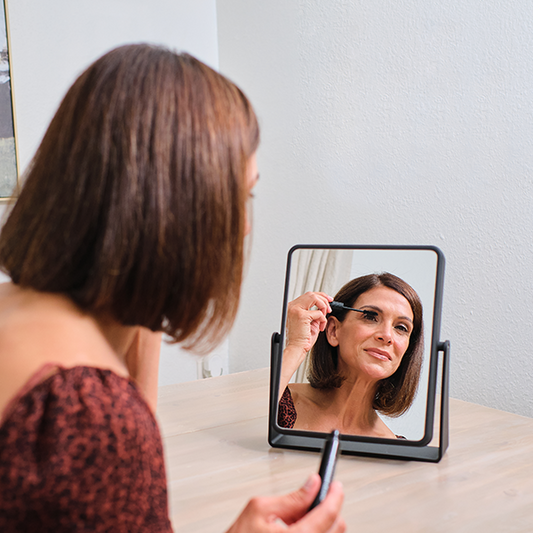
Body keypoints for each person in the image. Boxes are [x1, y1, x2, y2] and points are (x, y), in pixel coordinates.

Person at [0, 44, 344, 532]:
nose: (244, 225)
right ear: (176, 208)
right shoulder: (91, 417)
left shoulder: (16, 313)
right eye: (239, 197)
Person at [278, 273, 424, 439]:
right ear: (333, 330)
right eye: (370, 316)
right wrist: (296, 346)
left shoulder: (397, 449)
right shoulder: (276, 400)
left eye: (401, 328)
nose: (387, 335)